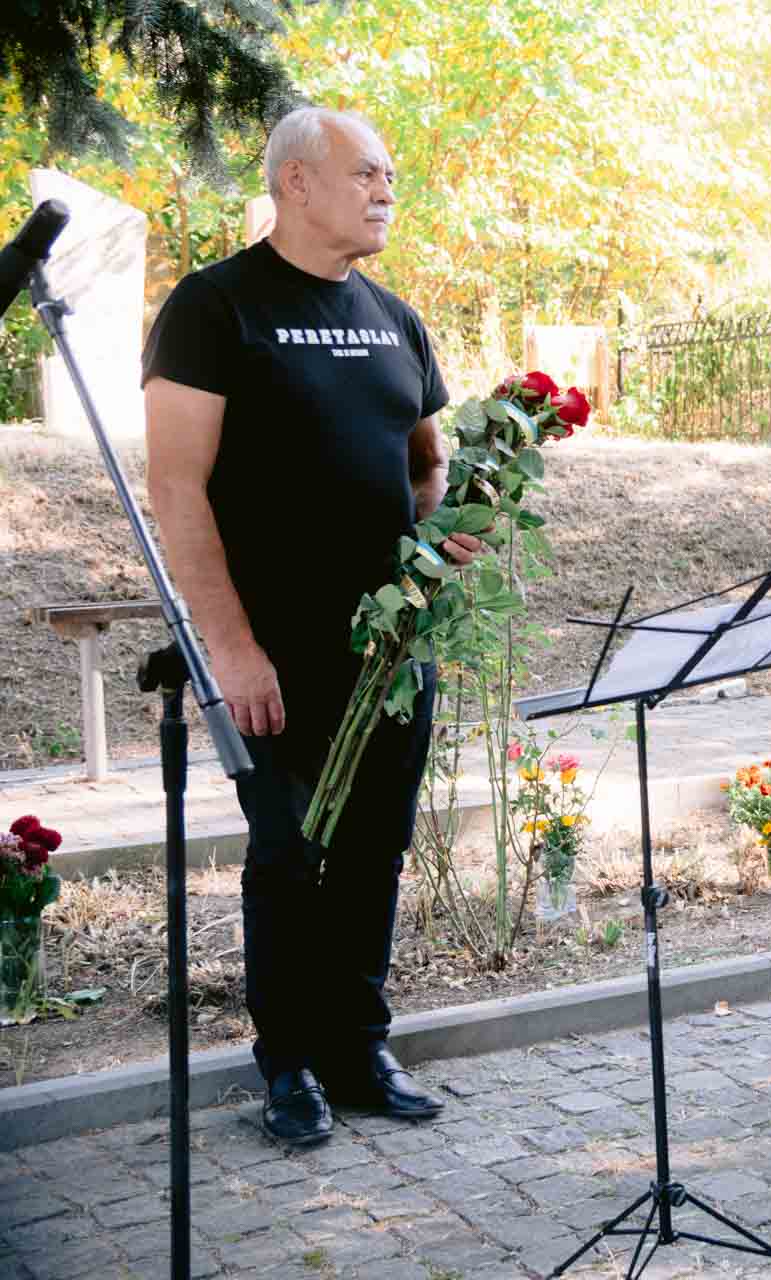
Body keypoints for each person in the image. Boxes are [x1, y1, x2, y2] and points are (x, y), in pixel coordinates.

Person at [144, 106, 483, 1145]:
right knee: (288, 850)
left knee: (376, 846)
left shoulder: (397, 317)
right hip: (272, 650)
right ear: (296, 181)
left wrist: (440, 540)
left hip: (388, 649)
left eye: (390, 175)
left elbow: (426, 463)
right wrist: (231, 645)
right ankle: (286, 1059)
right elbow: (176, 487)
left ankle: (358, 1043)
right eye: (367, 173)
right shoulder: (214, 307)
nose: (387, 191)